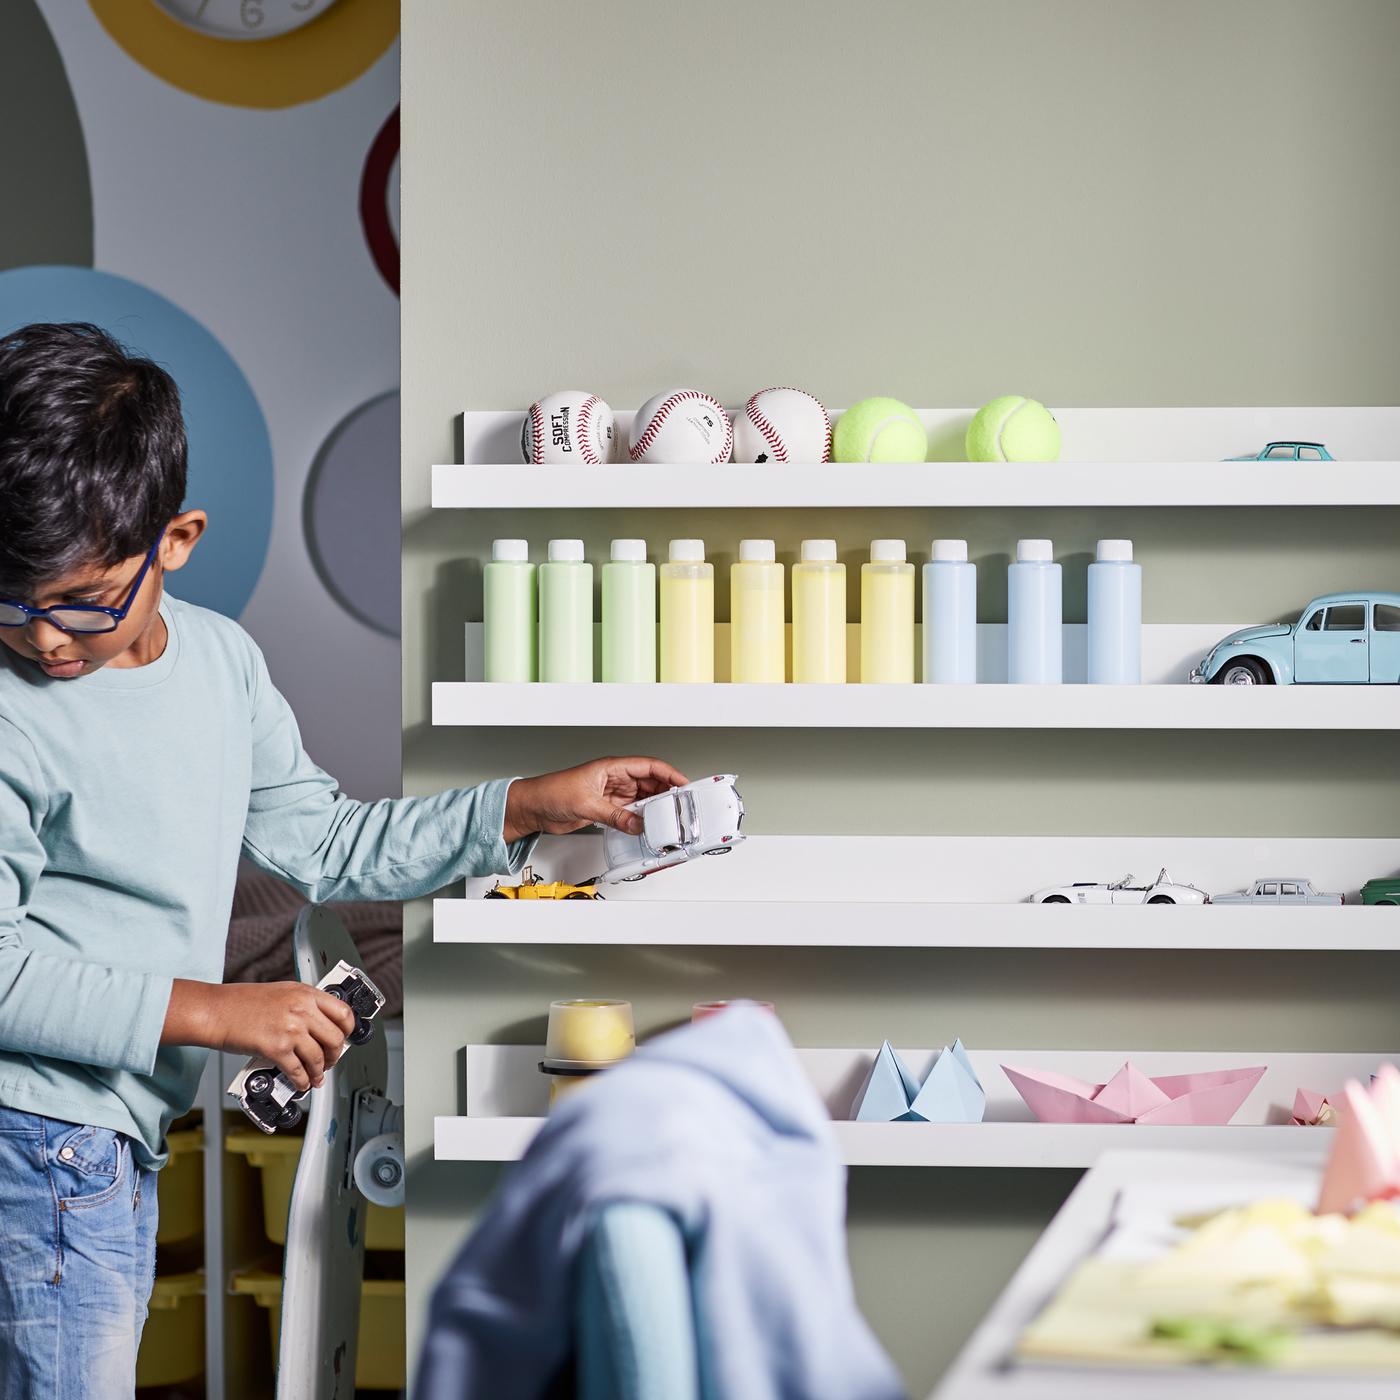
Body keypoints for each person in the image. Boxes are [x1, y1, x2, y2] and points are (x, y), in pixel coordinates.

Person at [0, 321, 686, 1399]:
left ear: (175, 540)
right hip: (30, 1132)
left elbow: (327, 840)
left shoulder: (222, 665)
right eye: (12, 600)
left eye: (81, 600)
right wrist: (218, 1009)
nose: (45, 638)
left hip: (113, 1133)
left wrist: (523, 802)